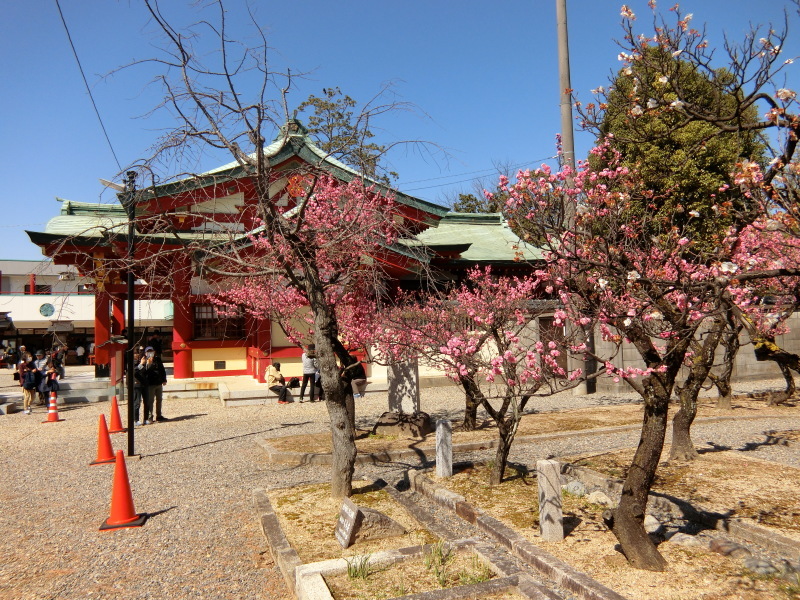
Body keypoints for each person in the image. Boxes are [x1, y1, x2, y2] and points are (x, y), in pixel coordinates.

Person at [135, 346, 168, 424]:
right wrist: (148, 364)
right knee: (150, 401)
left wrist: (164, 379)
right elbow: (143, 372)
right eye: (148, 352)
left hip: (158, 382)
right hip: (150, 384)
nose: (150, 353)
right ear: (145, 353)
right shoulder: (143, 360)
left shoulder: (158, 359)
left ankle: (159, 415)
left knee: (159, 400)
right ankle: (150, 417)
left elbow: (162, 370)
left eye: (151, 351)